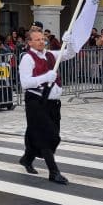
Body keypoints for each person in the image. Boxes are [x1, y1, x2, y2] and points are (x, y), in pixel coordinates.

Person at [17, 28, 73, 184]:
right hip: (36, 101)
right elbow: (25, 82)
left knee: (42, 134)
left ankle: (27, 159)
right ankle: (53, 172)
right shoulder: (27, 58)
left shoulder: (50, 55)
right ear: (29, 42)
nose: (41, 41)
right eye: (37, 39)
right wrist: (45, 77)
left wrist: (70, 41)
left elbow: (69, 54)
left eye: (43, 39)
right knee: (48, 136)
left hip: (53, 103)